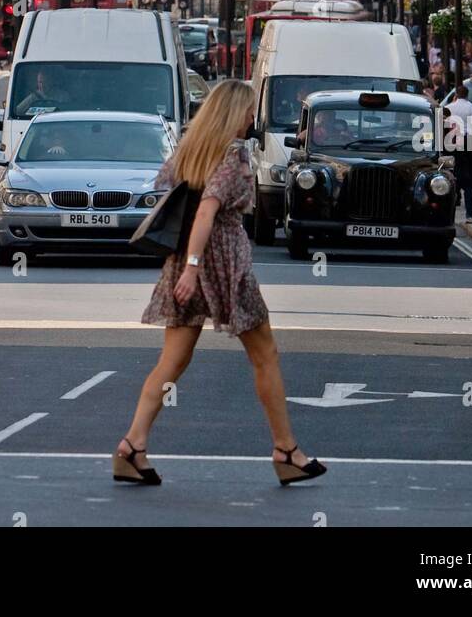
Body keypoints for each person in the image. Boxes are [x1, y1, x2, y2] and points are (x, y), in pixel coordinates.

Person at [114, 80, 326, 488]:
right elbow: (207, 211)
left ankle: (132, 446)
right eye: (249, 112)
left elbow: (173, 189)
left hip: (187, 263)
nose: (252, 119)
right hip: (224, 265)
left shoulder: (196, 150)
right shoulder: (233, 155)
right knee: (266, 355)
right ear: (234, 114)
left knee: (172, 361)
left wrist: (188, 267)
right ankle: (286, 450)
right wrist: (195, 266)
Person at [445, 85, 472, 223]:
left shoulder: (449, 107)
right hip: (468, 141)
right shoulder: (471, 107)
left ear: (456, 94)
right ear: (467, 95)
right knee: (469, 176)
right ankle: (471, 213)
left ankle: (454, 203)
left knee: (454, 172)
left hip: (452, 141)